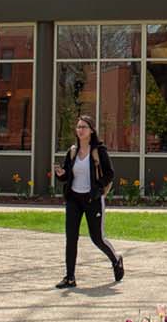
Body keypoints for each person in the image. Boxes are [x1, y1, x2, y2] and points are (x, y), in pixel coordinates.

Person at [53, 113, 123, 289]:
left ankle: (116, 259)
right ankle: (70, 277)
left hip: (92, 199)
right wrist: (61, 174)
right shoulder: (73, 151)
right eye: (78, 127)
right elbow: (68, 175)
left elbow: (110, 174)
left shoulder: (99, 151)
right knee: (71, 238)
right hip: (74, 199)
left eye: (83, 127)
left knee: (97, 238)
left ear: (91, 130)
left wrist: (97, 189)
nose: (80, 130)